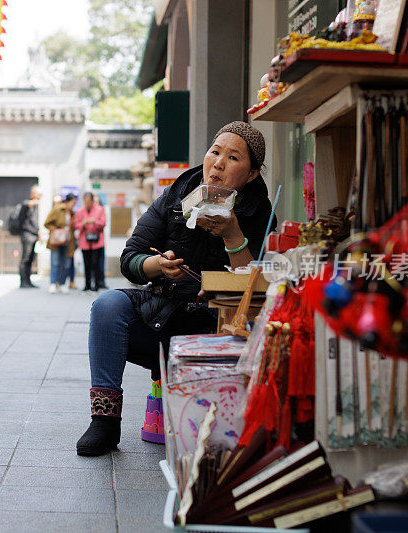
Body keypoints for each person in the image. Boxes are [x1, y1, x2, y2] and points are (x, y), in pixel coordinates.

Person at [76, 121, 275, 456]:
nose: (219, 163)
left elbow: (251, 286)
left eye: (233, 157)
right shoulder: (175, 195)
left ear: (252, 174)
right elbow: (131, 258)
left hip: (214, 330)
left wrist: (232, 234)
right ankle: (105, 422)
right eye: (215, 151)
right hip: (161, 315)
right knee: (107, 305)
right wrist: (159, 265)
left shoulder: (258, 213)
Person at [44, 193, 77, 293]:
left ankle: (62, 284)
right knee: (55, 262)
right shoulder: (57, 209)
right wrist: (58, 231)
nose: (74, 205)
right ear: (67, 201)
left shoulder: (72, 213)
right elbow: (47, 223)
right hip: (57, 240)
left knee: (66, 263)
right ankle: (53, 283)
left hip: (68, 241)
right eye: (73, 202)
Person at [74, 192, 106, 292]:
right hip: (84, 241)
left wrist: (94, 221)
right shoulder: (80, 211)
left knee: (95, 264)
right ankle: (87, 285)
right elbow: (76, 225)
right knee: (86, 264)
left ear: (92, 201)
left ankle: (96, 285)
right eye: (85, 201)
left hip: (97, 241)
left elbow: (103, 223)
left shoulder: (100, 209)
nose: (87, 203)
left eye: (89, 201)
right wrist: (83, 224)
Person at [18, 185, 42, 288]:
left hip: (34, 234)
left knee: (31, 259)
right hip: (27, 235)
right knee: (26, 258)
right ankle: (23, 281)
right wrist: (31, 203)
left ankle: (28, 280)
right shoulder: (27, 204)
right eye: (38, 194)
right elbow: (24, 205)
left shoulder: (35, 206)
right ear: (33, 194)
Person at [93, 195, 108, 290]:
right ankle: (94, 281)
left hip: (99, 241)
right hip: (90, 242)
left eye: (97, 202)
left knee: (100, 262)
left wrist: (94, 221)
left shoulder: (101, 211)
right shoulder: (89, 211)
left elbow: (103, 224)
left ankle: (101, 281)